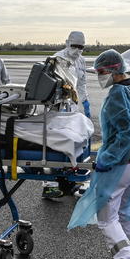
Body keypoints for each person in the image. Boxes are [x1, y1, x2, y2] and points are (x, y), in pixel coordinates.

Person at [68, 49, 130, 259]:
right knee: (125, 212)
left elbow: (127, 133)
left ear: (114, 71)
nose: (99, 76)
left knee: (106, 217)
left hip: (121, 164)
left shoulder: (117, 95)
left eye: (101, 72)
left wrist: (108, 159)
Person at [42, 31, 90, 199]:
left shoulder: (81, 61)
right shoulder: (56, 59)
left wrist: (85, 102)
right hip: (57, 108)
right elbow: (47, 86)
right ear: (67, 43)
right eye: (75, 46)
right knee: (53, 145)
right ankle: (49, 185)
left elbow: (82, 84)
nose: (77, 50)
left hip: (73, 107)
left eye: (81, 47)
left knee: (71, 145)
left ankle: (67, 181)